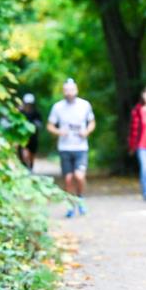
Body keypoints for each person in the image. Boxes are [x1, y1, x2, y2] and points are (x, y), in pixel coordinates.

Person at [47, 78, 96, 218]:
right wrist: (58, 132)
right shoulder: (57, 107)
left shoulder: (85, 105)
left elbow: (92, 122)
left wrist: (86, 132)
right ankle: (70, 205)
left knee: (79, 176)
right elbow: (49, 125)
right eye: (66, 90)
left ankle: (80, 198)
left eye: (72, 90)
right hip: (64, 147)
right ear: (63, 91)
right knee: (68, 179)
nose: (69, 93)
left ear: (76, 90)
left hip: (81, 147)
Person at [17, 93, 43, 171]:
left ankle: (30, 167)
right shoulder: (20, 112)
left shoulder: (36, 113)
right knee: (23, 154)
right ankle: (24, 167)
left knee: (32, 154)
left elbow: (39, 124)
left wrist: (34, 125)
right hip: (22, 137)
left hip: (33, 137)